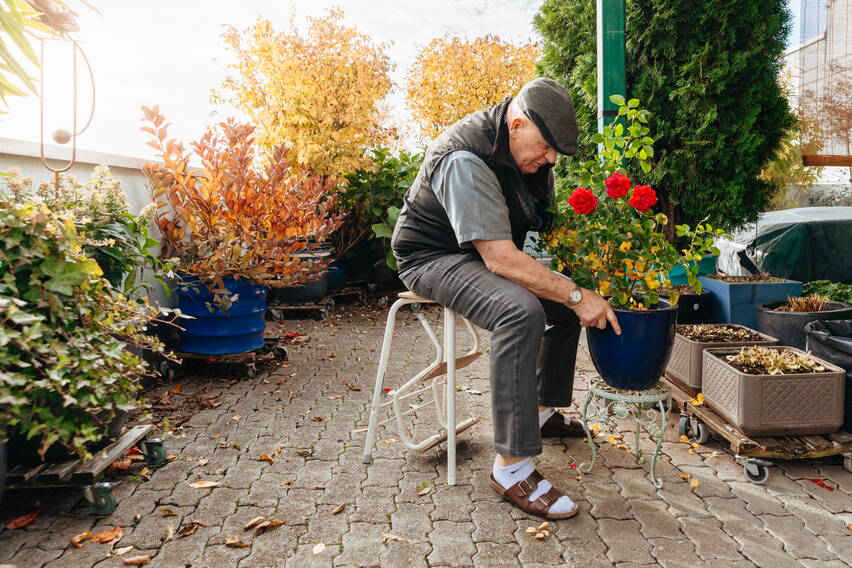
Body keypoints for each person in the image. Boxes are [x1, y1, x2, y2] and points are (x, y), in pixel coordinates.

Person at [391, 77, 621, 520]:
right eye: (546, 148)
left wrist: (568, 285)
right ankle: (512, 467)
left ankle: (539, 412)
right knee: (521, 311)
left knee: (560, 304)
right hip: (432, 256)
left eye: (555, 151)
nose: (551, 159)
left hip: (481, 253)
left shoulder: (530, 157)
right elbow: (499, 259)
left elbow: (534, 237)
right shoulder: (466, 158)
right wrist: (575, 293)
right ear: (516, 124)